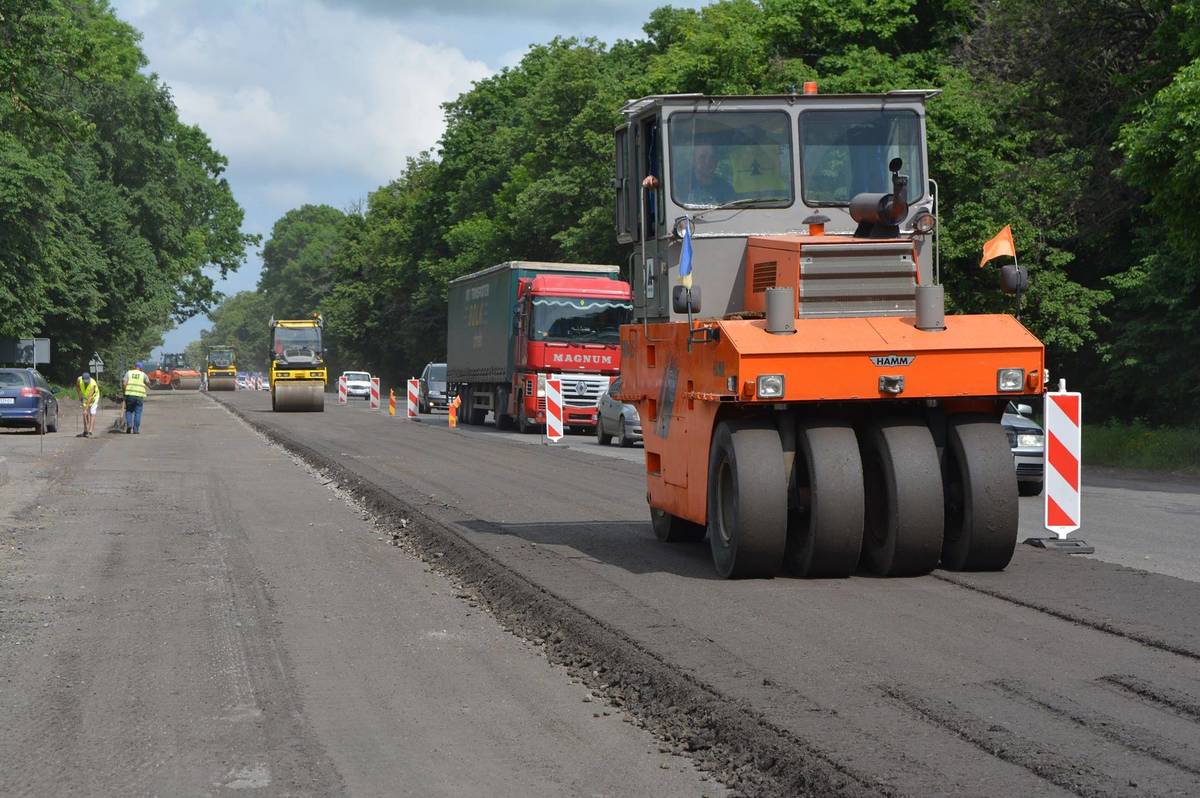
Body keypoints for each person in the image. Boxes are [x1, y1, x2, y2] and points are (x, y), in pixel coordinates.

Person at [122, 361, 148, 434]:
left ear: (135, 366)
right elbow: (148, 382)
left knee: (129, 411)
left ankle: (129, 425)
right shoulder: (143, 374)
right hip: (139, 396)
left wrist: (124, 392)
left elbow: (124, 383)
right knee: (138, 413)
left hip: (130, 395)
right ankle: (136, 429)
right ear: (141, 368)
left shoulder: (129, 373)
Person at [76, 372, 100, 438]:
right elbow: (77, 387)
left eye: (87, 381)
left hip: (94, 397)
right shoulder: (79, 379)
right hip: (85, 397)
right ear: (82, 379)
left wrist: (86, 409)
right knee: (85, 414)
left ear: (89, 378)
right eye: (85, 381)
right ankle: (85, 430)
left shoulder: (93, 384)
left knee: (92, 412)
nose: (86, 382)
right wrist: (79, 395)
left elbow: (90, 397)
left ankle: (90, 431)